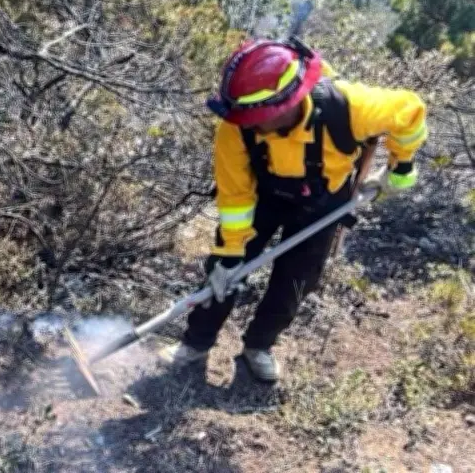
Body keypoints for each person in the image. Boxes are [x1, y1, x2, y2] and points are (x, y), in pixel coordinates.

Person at [158, 36, 428, 382]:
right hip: (263, 197)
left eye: (257, 118)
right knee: (221, 274)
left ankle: (259, 346)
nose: (248, 124)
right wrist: (230, 255)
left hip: (322, 204)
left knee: (296, 279)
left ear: (286, 103)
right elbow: (234, 195)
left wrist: (400, 168)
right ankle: (195, 345)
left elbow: (411, 111)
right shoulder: (236, 129)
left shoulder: (349, 107)